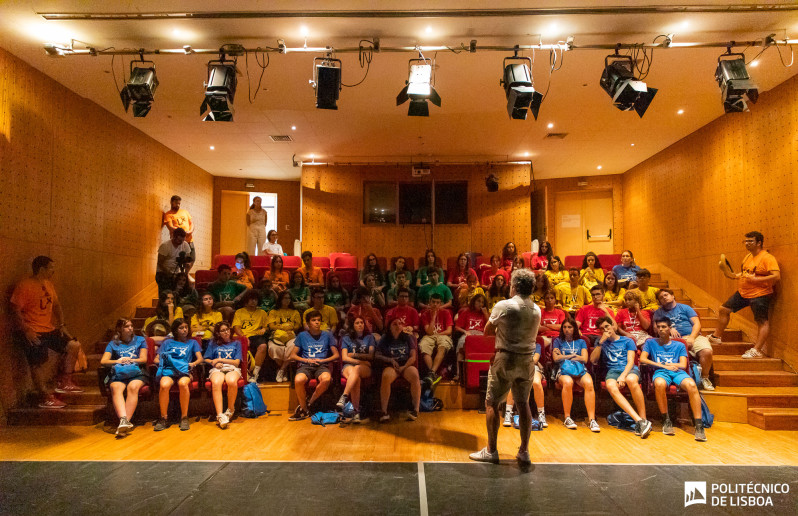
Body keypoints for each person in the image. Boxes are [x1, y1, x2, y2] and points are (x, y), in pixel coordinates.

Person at [469, 269, 541, 465]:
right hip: (527, 361)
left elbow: (486, 331)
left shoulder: (504, 306)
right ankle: (524, 451)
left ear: (515, 286)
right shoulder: (537, 309)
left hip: (506, 358)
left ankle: (491, 451)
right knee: (523, 403)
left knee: (492, 403)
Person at [10, 256, 83, 408]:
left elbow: (56, 305)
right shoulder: (25, 286)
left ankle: (65, 382)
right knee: (37, 363)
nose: (53, 271)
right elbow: (15, 309)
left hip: (48, 328)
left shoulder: (48, 284)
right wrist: (26, 330)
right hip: (33, 330)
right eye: (51, 268)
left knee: (73, 345)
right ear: (42, 269)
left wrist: (61, 324)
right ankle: (45, 397)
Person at [709, 231, 780, 359]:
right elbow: (745, 273)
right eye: (745, 241)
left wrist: (757, 280)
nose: (747, 244)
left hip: (760, 294)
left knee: (762, 321)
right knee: (723, 309)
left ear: (759, 243)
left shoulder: (767, 258)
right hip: (743, 293)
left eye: (750, 241)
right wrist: (732, 275)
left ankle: (756, 350)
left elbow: (776, 276)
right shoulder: (748, 256)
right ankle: (716, 337)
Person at [640, 318, 707, 441]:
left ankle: (699, 425)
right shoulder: (650, 343)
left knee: (691, 385)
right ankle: (666, 420)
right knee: (659, 383)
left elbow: (683, 364)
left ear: (670, 328)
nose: (661, 329)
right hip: (661, 371)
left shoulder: (680, 344)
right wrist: (662, 365)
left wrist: (672, 366)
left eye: (664, 327)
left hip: (677, 372)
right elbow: (643, 359)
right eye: (659, 327)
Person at [589, 316, 652, 438]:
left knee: (631, 380)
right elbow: (592, 360)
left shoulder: (627, 341)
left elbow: (630, 362)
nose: (605, 330)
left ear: (613, 326)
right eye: (602, 329)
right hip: (612, 371)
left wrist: (623, 376)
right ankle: (639, 421)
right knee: (611, 386)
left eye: (607, 326)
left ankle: (644, 418)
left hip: (628, 369)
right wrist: (601, 343)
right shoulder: (600, 342)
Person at [654, 289, 715, 391]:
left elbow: (697, 324)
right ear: (659, 302)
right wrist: (669, 328)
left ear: (673, 296)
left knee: (707, 351)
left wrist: (691, 337)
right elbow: (656, 328)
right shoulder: (659, 313)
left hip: (691, 336)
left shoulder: (685, 308)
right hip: (671, 340)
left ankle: (704, 378)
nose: (664, 297)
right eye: (661, 297)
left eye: (666, 295)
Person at [100, 318, 148, 436]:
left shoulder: (140, 340)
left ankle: (124, 422)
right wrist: (118, 360)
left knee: (133, 387)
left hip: (137, 372)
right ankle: (124, 421)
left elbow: (143, 359)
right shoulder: (113, 344)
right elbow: (104, 361)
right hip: (119, 373)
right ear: (119, 329)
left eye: (131, 326)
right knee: (115, 387)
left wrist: (130, 359)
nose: (130, 328)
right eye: (127, 326)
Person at [288, 311, 340, 421]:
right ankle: (304, 409)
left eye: (318, 320)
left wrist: (323, 360)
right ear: (308, 323)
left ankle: (308, 404)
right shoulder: (302, 335)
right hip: (306, 365)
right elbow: (292, 355)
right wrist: (307, 360)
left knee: (326, 379)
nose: (317, 322)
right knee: (298, 380)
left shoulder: (327, 335)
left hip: (322, 365)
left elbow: (336, 355)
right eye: (314, 320)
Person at [154, 319, 203, 432]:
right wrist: (163, 361)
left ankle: (184, 417)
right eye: (181, 328)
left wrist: (193, 363)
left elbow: (200, 358)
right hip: (169, 370)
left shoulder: (193, 342)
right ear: (175, 330)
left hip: (184, 371)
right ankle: (163, 418)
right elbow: (156, 358)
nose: (184, 330)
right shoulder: (167, 343)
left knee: (183, 383)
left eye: (186, 327)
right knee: (164, 384)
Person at [552, 319, 600, 432]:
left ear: (574, 329)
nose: (567, 330)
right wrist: (574, 356)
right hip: (564, 370)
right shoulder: (557, 341)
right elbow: (556, 358)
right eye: (564, 327)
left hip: (579, 370)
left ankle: (592, 419)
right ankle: (567, 417)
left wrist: (565, 355)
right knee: (568, 382)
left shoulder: (581, 341)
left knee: (589, 383)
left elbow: (584, 358)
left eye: (570, 327)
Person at [374, 316, 421, 422]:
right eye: (394, 324)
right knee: (386, 376)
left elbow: (413, 356)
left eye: (400, 323)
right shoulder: (385, 338)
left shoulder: (408, 337)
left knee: (414, 374)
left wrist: (404, 367)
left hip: (405, 364)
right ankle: (384, 411)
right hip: (392, 366)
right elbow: (377, 355)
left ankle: (416, 409)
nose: (398, 326)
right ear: (389, 327)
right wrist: (390, 360)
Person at [502, 338, 547, 431]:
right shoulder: (516, 345)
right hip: (518, 368)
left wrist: (522, 359)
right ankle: (508, 413)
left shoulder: (536, 345)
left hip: (533, 368)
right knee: (513, 382)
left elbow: (535, 360)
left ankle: (541, 414)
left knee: (536, 383)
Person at [204, 322, 243, 429]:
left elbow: (236, 362)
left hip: (232, 368)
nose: (226, 332)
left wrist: (220, 359)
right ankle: (220, 415)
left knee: (231, 381)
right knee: (216, 382)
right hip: (217, 368)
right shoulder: (213, 343)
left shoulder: (236, 343)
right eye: (222, 330)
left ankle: (230, 411)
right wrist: (214, 362)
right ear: (218, 333)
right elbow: (206, 358)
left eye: (227, 329)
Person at [337, 316, 376, 423]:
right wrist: (361, 360)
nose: (360, 325)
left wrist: (353, 355)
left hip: (365, 368)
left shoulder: (369, 337)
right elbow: (344, 357)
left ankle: (344, 396)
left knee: (357, 369)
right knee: (356, 378)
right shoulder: (346, 338)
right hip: (349, 366)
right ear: (352, 326)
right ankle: (356, 413)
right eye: (357, 323)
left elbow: (371, 356)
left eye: (362, 322)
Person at [232, 291, 269, 383]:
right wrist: (244, 338)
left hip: (255, 335)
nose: (253, 301)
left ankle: (255, 373)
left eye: (255, 299)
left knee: (263, 346)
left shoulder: (262, 313)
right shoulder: (239, 312)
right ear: (246, 300)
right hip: (242, 336)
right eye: (251, 299)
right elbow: (236, 327)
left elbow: (266, 326)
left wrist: (264, 329)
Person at [419, 294, 454, 385]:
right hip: (429, 336)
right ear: (429, 302)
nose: (435, 304)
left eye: (437, 303)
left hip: (443, 335)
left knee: (443, 346)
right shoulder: (425, 314)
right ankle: (433, 374)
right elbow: (429, 332)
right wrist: (434, 317)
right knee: (424, 346)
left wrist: (438, 334)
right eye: (433, 302)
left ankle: (431, 373)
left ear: (440, 304)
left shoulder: (446, 313)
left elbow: (449, 331)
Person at [267, 291, 302, 383]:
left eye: (289, 298)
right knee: (273, 348)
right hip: (277, 335)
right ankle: (284, 370)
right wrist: (283, 327)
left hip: (291, 335)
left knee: (293, 347)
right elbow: (271, 326)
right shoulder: (273, 311)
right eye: (285, 298)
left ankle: (281, 370)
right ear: (280, 299)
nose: (287, 300)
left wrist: (291, 328)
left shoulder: (295, 312)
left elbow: (298, 325)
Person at [454, 293, 489, 380]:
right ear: (474, 302)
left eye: (482, 302)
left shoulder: (485, 314)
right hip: (468, 333)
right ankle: (459, 374)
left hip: (480, 334)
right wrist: (465, 331)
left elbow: (490, 326)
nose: (480, 304)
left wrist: (485, 314)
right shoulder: (466, 312)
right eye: (478, 301)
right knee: (461, 345)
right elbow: (457, 327)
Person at [155, 227, 193, 296]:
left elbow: (188, 259)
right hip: (163, 273)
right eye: (178, 240)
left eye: (182, 241)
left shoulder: (185, 245)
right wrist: (169, 272)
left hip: (176, 273)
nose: (180, 243)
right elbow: (160, 263)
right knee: (166, 294)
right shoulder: (165, 246)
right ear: (173, 237)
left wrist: (187, 266)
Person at [163, 195, 195, 265]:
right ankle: (181, 275)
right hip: (178, 242)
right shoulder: (168, 214)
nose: (178, 205)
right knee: (181, 261)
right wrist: (182, 232)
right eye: (176, 203)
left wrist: (190, 231)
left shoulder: (185, 212)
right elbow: (171, 227)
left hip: (189, 239)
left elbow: (191, 223)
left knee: (192, 259)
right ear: (171, 202)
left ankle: (186, 274)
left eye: (179, 204)